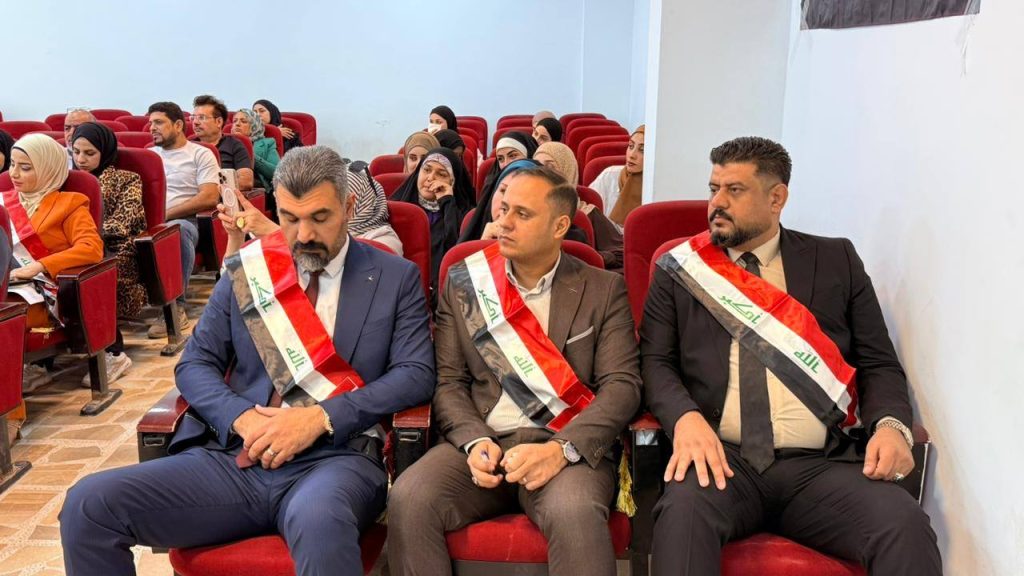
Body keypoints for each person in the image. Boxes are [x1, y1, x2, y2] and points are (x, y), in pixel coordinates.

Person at [59, 145, 436, 576]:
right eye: (290, 218)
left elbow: (415, 374)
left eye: (320, 218)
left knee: (320, 522)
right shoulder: (250, 271)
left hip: (336, 459)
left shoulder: (393, 276)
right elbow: (194, 364)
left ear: (349, 207)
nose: (304, 235)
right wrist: (243, 419)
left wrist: (319, 418)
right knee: (88, 505)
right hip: (235, 457)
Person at [640, 137, 942, 575]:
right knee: (682, 519)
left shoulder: (835, 259)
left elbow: (878, 362)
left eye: (734, 190)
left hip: (819, 466)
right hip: (722, 461)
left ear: (776, 198)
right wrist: (685, 418)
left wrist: (892, 426)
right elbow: (655, 363)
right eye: (713, 188)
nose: (716, 203)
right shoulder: (680, 270)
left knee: (904, 525)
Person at [388, 166, 641, 576]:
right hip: (484, 442)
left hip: (564, 448)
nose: (503, 222)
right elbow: (450, 382)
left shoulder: (602, 288)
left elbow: (622, 386)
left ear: (560, 226)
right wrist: (474, 441)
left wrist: (561, 450)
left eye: (522, 214)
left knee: (574, 511)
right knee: (410, 497)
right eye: (503, 209)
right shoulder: (464, 283)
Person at [3, 134, 103, 401]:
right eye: (12, 164)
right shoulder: (3, 201)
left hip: (41, 290)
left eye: (26, 167)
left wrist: (39, 265)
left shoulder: (70, 203)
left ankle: (8, 407)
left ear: (48, 169)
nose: (14, 174)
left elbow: (91, 248)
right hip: (7, 282)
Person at [70, 122, 147, 384]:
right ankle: (41, 363)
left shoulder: (127, 179)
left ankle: (113, 352)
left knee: (93, 276)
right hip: (76, 246)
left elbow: (121, 224)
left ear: (105, 151)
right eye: (76, 152)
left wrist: (84, 237)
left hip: (116, 247)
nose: (81, 159)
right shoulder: (68, 180)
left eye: (89, 153)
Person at [147, 101, 220, 338]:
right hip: (148, 221)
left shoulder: (200, 154)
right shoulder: (149, 155)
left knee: (176, 230)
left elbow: (209, 197)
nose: (152, 128)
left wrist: (166, 214)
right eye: (150, 123)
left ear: (178, 125)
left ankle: (175, 307)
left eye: (159, 122)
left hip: (186, 220)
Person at [391, 148, 475, 297]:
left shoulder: (465, 216)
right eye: (427, 170)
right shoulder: (398, 207)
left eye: (441, 174)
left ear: (453, 181)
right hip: (399, 289)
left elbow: (456, 255)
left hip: (445, 294)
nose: (430, 178)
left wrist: (447, 203)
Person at [535, 142, 623, 270]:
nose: (543, 173)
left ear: (568, 171)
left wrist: (588, 256)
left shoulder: (588, 213)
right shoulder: (523, 214)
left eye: (550, 167)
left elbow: (620, 254)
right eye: (537, 166)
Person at [191, 94, 254, 191]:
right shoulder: (188, 145)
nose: (195, 122)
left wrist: (209, 190)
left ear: (219, 122)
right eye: (193, 118)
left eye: (201, 117)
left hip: (220, 197)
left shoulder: (234, 145)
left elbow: (245, 182)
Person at [588, 124, 644, 230]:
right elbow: (588, 215)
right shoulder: (609, 176)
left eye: (642, 150)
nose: (632, 155)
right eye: (631, 146)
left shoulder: (659, 189)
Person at [475, 131, 538, 215]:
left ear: (528, 155)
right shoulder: (491, 189)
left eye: (513, 156)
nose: (506, 164)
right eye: (500, 159)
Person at [231, 108, 280, 195]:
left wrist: (250, 155)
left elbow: (277, 173)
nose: (237, 124)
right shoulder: (225, 142)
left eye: (243, 121)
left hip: (255, 188)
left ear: (254, 126)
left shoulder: (267, 143)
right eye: (234, 121)